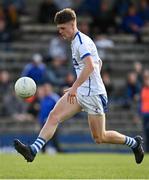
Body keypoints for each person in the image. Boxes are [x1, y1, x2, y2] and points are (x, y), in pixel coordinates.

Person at [14, 8, 144, 164]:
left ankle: (135, 144)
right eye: (58, 29)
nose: (60, 32)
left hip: (93, 95)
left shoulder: (80, 42)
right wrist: (81, 85)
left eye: (63, 28)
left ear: (72, 24)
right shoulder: (78, 40)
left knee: (99, 137)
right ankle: (33, 150)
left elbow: (89, 66)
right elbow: (97, 63)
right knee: (54, 116)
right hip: (83, 91)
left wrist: (75, 87)